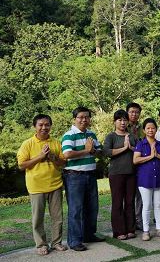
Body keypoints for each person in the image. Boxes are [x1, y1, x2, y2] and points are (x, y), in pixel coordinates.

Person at [17, 114, 68, 256]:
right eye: (41, 125)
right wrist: (40, 156)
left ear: (50, 126)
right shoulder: (27, 144)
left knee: (57, 217)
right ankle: (41, 245)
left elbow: (64, 163)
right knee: (38, 218)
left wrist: (52, 157)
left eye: (47, 125)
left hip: (55, 185)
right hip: (36, 187)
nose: (44, 127)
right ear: (35, 126)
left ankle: (57, 242)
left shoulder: (56, 143)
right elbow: (22, 165)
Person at [61, 107, 104, 251]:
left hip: (91, 175)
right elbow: (67, 154)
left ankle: (88, 235)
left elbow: (99, 152)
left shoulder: (91, 134)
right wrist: (87, 150)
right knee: (76, 209)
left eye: (87, 117)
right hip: (74, 176)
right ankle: (74, 241)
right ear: (74, 119)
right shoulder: (69, 135)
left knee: (92, 207)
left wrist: (94, 150)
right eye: (81, 117)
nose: (84, 120)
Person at [133, 118, 160, 241]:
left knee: (158, 206)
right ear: (144, 130)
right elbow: (135, 160)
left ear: (156, 129)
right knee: (147, 205)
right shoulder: (141, 144)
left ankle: (159, 229)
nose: (150, 130)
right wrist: (150, 156)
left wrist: (157, 155)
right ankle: (146, 231)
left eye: (153, 128)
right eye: (148, 128)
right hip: (145, 181)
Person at [103, 110, 139, 240]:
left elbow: (140, 151)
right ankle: (119, 231)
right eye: (120, 120)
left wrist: (131, 148)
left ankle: (130, 229)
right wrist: (124, 148)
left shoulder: (132, 136)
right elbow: (106, 152)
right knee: (117, 202)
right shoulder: (111, 136)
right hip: (116, 174)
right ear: (115, 122)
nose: (123, 122)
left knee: (130, 202)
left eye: (125, 120)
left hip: (131, 173)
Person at [126, 102, 144, 231]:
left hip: (140, 166)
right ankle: (128, 221)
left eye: (137, 112)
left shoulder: (142, 128)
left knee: (140, 195)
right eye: (132, 111)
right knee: (127, 195)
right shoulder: (122, 126)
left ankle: (138, 220)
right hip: (126, 166)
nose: (134, 114)